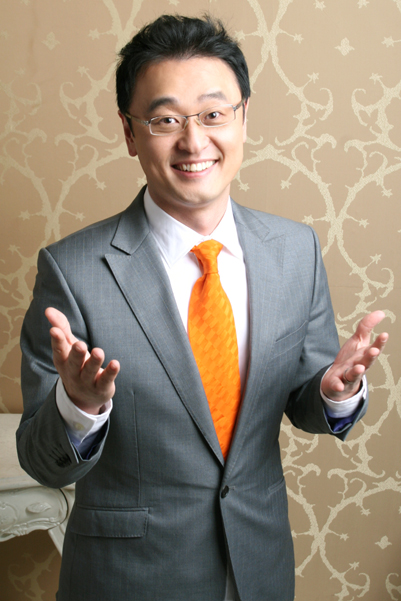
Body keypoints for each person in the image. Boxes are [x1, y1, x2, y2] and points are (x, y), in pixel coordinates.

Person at [17, 14, 388, 601]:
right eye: (166, 120)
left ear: (243, 118)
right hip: (126, 580)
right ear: (130, 132)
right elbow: (42, 463)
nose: (194, 142)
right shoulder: (72, 270)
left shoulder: (295, 251)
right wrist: (79, 406)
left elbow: (304, 402)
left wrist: (334, 392)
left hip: (258, 568)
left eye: (214, 114)